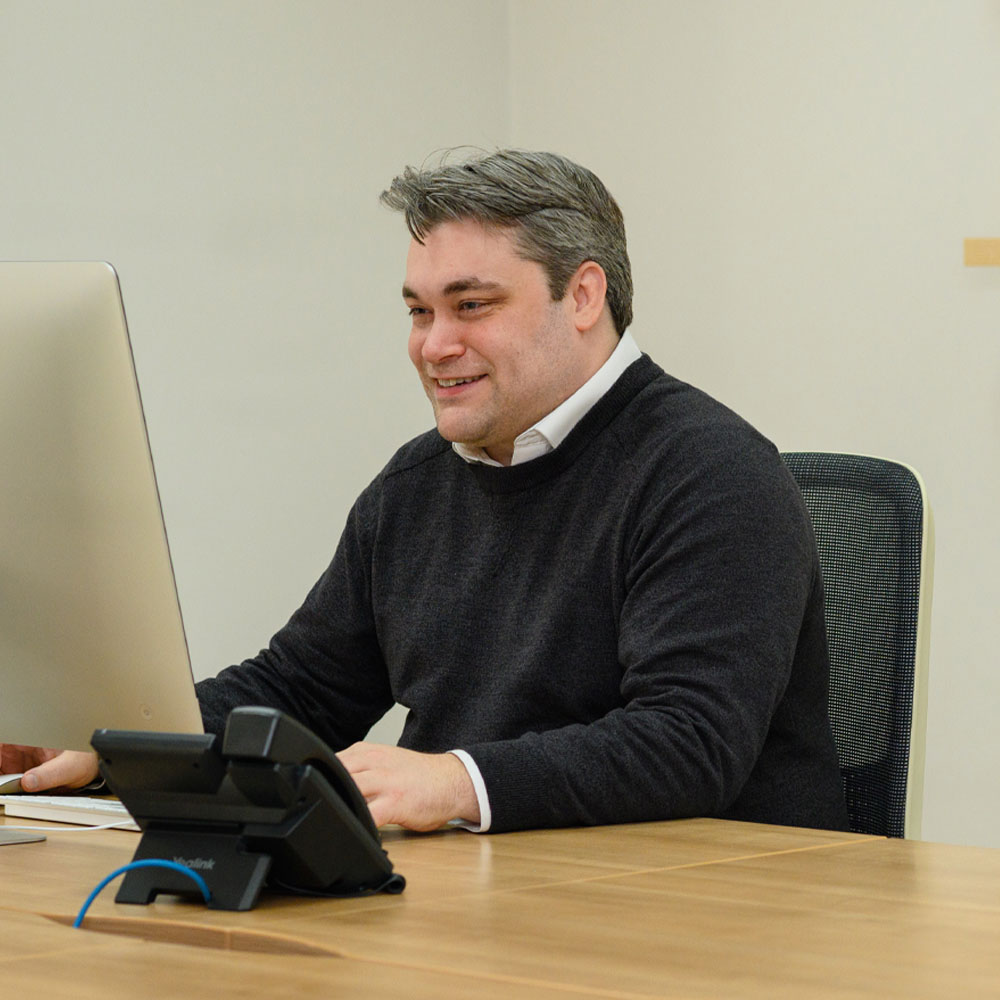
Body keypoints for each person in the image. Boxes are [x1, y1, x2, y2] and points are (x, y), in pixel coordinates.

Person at [2, 149, 848, 834]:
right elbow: (302, 688)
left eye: (471, 305)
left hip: (703, 908)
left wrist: (454, 781)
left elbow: (689, 743)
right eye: (417, 312)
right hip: (494, 892)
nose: (434, 345)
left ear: (583, 295)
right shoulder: (414, 486)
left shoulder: (712, 474)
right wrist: (118, 742)